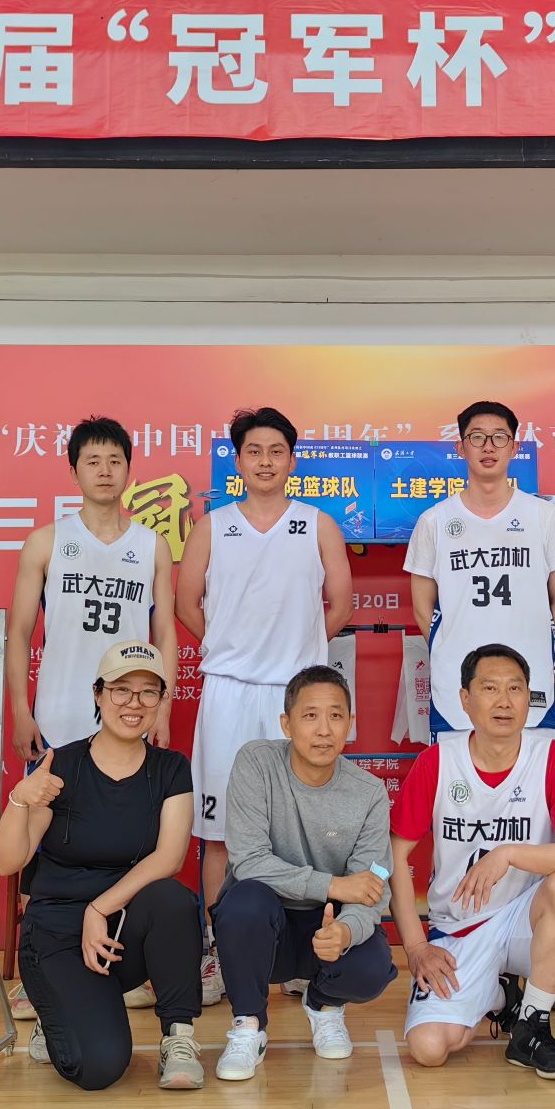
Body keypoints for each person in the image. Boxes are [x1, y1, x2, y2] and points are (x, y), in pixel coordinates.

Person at [176, 405, 353, 996]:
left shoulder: (317, 524)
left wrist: (295, 658)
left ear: (291, 460)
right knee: (222, 831)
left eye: (277, 451)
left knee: (301, 828)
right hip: (229, 692)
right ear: (238, 460)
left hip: (294, 694)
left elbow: (340, 606)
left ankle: (300, 954)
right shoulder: (213, 526)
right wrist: (234, 651)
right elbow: (185, 605)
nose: (266, 461)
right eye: (254, 451)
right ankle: (220, 952)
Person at [0, 640, 206, 1092]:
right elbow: (8, 861)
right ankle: (58, 1010)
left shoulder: (171, 768)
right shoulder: (61, 765)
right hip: (57, 933)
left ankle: (179, 1036)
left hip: (120, 927)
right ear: (98, 694)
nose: (134, 703)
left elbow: (169, 857)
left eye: (148, 692)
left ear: (162, 699)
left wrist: (99, 908)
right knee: (100, 1067)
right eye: (121, 690)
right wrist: (19, 800)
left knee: (173, 900)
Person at [389, 644, 555, 1080]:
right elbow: (396, 856)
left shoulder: (554, 757)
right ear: (465, 699)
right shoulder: (437, 762)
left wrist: (508, 854)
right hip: (459, 927)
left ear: (529, 698)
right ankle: (500, 996)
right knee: (429, 1048)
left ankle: (531, 1029)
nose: (504, 701)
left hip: (526, 920)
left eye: (515, 689)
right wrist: (416, 948)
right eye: (490, 688)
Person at [211, 663, 397, 1079]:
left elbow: (373, 888)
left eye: (336, 716)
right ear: (287, 723)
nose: (324, 730)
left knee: (372, 964)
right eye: (310, 715)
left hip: (325, 926)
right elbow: (248, 860)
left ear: (351, 723)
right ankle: (248, 1026)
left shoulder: (369, 792)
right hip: (266, 927)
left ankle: (324, 1006)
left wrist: (345, 931)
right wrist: (334, 885)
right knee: (244, 901)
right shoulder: (256, 763)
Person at [7, 416, 176, 761]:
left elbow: (165, 634)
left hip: (130, 714)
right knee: (51, 798)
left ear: (128, 470)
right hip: (57, 714)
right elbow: (19, 633)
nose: (105, 471)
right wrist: (21, 711)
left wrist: (164, 709)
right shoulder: (45, 541)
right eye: (93, 462)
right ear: (74, 472)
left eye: (115, 461)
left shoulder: (152, 546)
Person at [405, 401, 555, 738]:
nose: (488, 446)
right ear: (461, 448)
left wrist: (539, 643)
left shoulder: (544, 516)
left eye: (499, 437)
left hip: (530, 681)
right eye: (477, 437)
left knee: (531, 771)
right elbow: (422, 608)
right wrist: (450, 646)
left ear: (514, 447)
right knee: (457, 771)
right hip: (457, 686)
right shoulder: (434, 521)